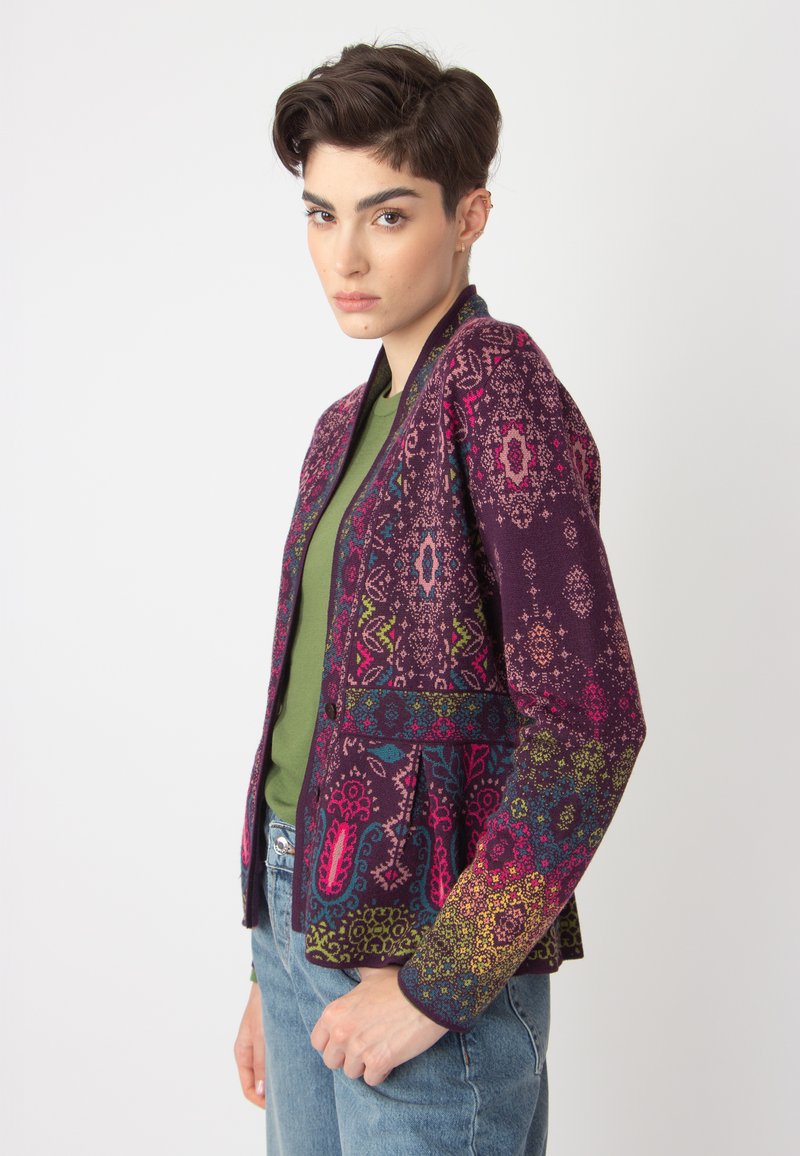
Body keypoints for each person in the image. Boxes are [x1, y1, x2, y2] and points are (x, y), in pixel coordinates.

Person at [233, 40, 647, 1155]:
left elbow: (590, 724)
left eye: (389, 214)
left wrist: (439, 981)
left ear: (470, 217)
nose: (345, 255)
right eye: (322, 214)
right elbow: (309, 706)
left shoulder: (495, 385)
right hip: (297, 913)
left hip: (428, 947)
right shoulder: (341, 427)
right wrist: (273, 964)